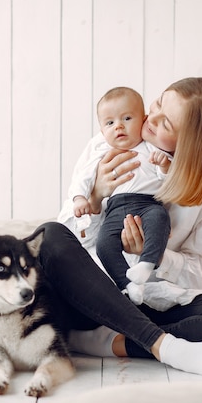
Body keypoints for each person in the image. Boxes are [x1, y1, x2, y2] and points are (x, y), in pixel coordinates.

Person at [38, 77, 202, 378]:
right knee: (49, 235)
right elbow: (68, 243)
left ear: (191, 145)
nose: (149, 119)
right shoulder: (113, 139)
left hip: (151, 299)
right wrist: (96, 198)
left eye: (166, 125)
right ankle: (162, 344)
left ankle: (111, 341)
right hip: (89, 297)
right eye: (159, 103)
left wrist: (157, 256)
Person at [60, 86, 173, 305]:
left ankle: (146, 263)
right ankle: (127, 284)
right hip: (115, 207)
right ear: (102, 131)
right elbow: (82, 179)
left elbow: (166, 179)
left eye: (127, 118)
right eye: (109, 123)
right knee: (104, 244)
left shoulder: (150, 146)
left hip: (148, 203)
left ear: (143, 120)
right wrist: (82, 198)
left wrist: (164, 166)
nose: (118, 126)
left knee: (160, 219)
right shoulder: (100, 150)